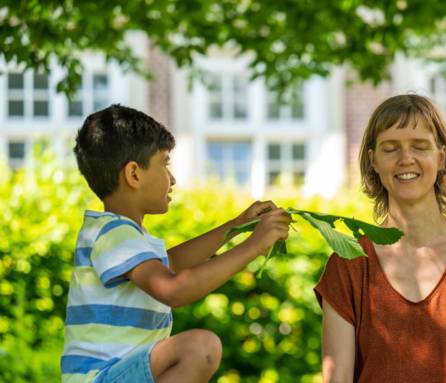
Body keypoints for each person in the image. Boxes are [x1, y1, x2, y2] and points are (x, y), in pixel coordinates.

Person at [61, 105, 291, 383]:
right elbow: (173, 289)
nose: (172, 179)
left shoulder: (121, 235)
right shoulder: (114, 233)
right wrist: (253, 246)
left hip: (118, 375)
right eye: (164, 164)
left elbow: (172, 263)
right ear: (134, 174)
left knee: (198, 348)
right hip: (103, 378)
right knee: (200, 347)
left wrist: (237, 226)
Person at [315, 95, 446, 382]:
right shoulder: (348, 264)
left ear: (442, 156)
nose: (405, 159)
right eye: (391, 148)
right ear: (373, 160)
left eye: (419, 146)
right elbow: (338, 379)